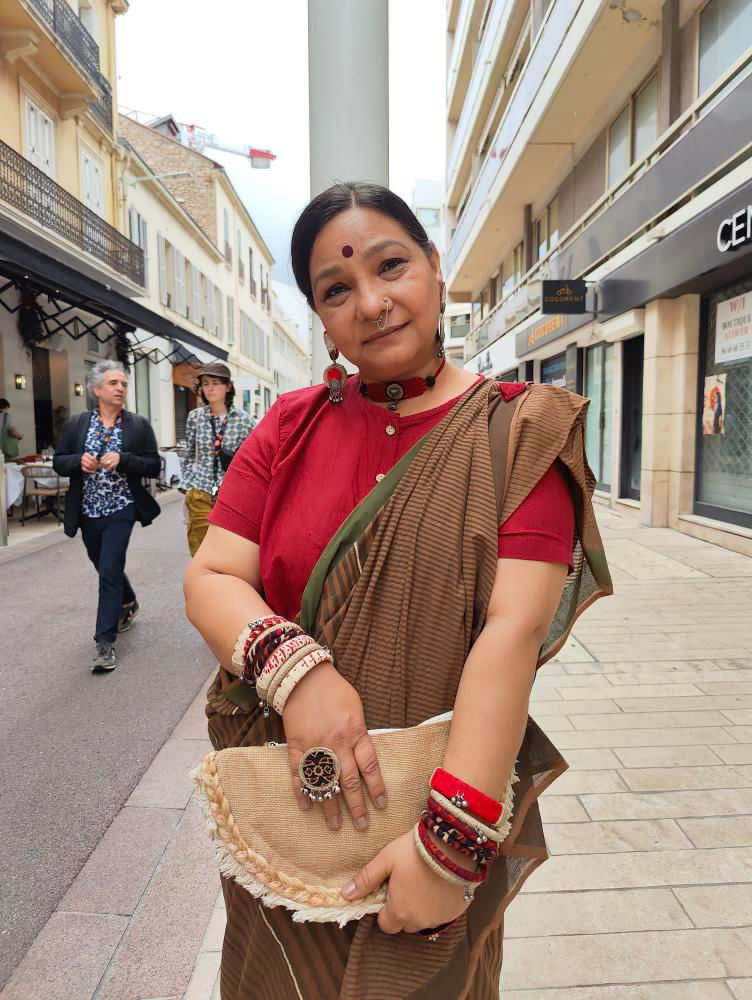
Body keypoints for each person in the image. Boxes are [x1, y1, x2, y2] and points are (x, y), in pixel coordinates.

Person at [184, 182, 613, 1000]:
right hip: (292, 803)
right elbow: (212, 576)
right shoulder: (289, 427)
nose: (372, 303)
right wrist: (299, 673)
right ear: (319, 316)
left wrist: (449, 850)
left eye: (391, 267)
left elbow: (510, 636)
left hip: (445, 802)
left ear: (436, 270)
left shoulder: (522, 432)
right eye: (337, 290)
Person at [54, 360, 161, 672]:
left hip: (121, 508)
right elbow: (59, 462)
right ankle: (128, 602)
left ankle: (104, 643)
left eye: (124, 384)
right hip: (87, 511)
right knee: (105, 567)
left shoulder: (138, 425)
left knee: (109, 568)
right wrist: (79, 461)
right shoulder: (77, 424)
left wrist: (124, 459)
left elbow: (153, 465)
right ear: (96, 390)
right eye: (113, 383)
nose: (120, 388)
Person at [180, 361, 254, 557]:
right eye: (205, 384)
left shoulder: (244, 420)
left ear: (228, 386)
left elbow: (251, 461)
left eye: (215, 383)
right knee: (199, 551)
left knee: (227, 553)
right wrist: (188, 485)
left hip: (230, 495)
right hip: (200, 492)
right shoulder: (195, 417)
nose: (210, 388)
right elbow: (189, 454)